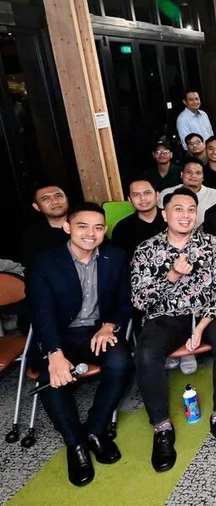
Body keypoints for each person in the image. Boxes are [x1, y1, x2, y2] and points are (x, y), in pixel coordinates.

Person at [131, 188, 216, 471]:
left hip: (209, 312)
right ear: (165, 214)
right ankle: (162, 427)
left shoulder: (211, 244)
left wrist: (203, 325)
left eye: (191, 209)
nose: (186, 215)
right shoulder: (146, 250)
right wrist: (172, 276)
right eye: (178, 209)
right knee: (145, 353)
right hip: (167, 316)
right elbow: (139, 300)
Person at [27, 202, 134, 486]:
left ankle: (96, 429)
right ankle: (75, 443)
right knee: (53, 378)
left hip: (97, 331)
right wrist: (54, 352)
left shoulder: (115, 256)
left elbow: (125, 301)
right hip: (58, 335)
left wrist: (109, 325)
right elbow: (41, 313)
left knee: (122, 361)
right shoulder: (46, 262)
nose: (91, 233)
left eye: (99, 227)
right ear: (67, 227)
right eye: (83, 226)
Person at [157, 158, 216, 228]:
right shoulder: (166, 193)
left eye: (198, 173)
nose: (193, 176)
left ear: (203, 177)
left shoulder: (213, 195)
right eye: (189, 172)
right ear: (181, 174)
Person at [113, 179, 167, 259]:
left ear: (157, 195)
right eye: (136, 195)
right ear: (130, 200)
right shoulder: (122, 228)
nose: (143, 198)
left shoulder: (173, 219)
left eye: (147, 193)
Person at [21, 184, 70, 266]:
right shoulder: (32, 236)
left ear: (67, 199)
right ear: (36, 207)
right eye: (46, 198)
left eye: (58, 196)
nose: (55, 201)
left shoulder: (87, 224)